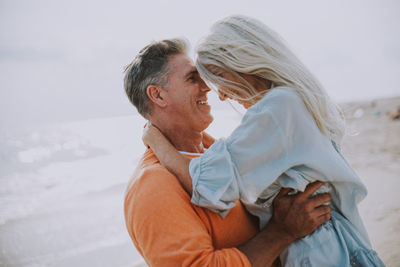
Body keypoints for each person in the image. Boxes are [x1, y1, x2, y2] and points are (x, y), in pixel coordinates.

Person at [142, 16, 385, 266]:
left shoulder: (278, 109)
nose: (222, 95)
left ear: (243, 63)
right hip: (334, 245)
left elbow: (206, 185)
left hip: (320, 253)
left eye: (219, 77)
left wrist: (154, 139)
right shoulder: (294, 101)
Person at [123, 38, 333, 267]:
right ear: (158, 95)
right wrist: (281, 232)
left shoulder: (222, 153)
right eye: (193, 78)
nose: (207, 86)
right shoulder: (153, 185)